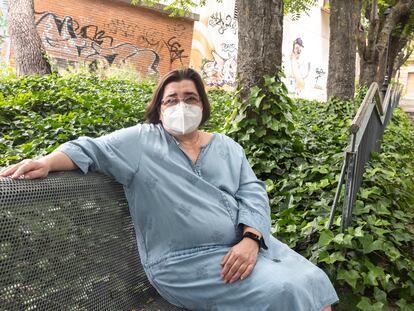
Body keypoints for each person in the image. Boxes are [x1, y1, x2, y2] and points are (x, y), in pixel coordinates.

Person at [0, 68, 338, 310]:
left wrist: (251, 239)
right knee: (285, 289)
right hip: (183, 263)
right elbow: (90, 148)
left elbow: (252, 192)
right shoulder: (140, 142)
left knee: (312, 279)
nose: (181, 106)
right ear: (159, 109)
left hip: (246, 247)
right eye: (171, 100)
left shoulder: (227, 146)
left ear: (203, 105)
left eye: (190, 98)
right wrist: (46, 161)